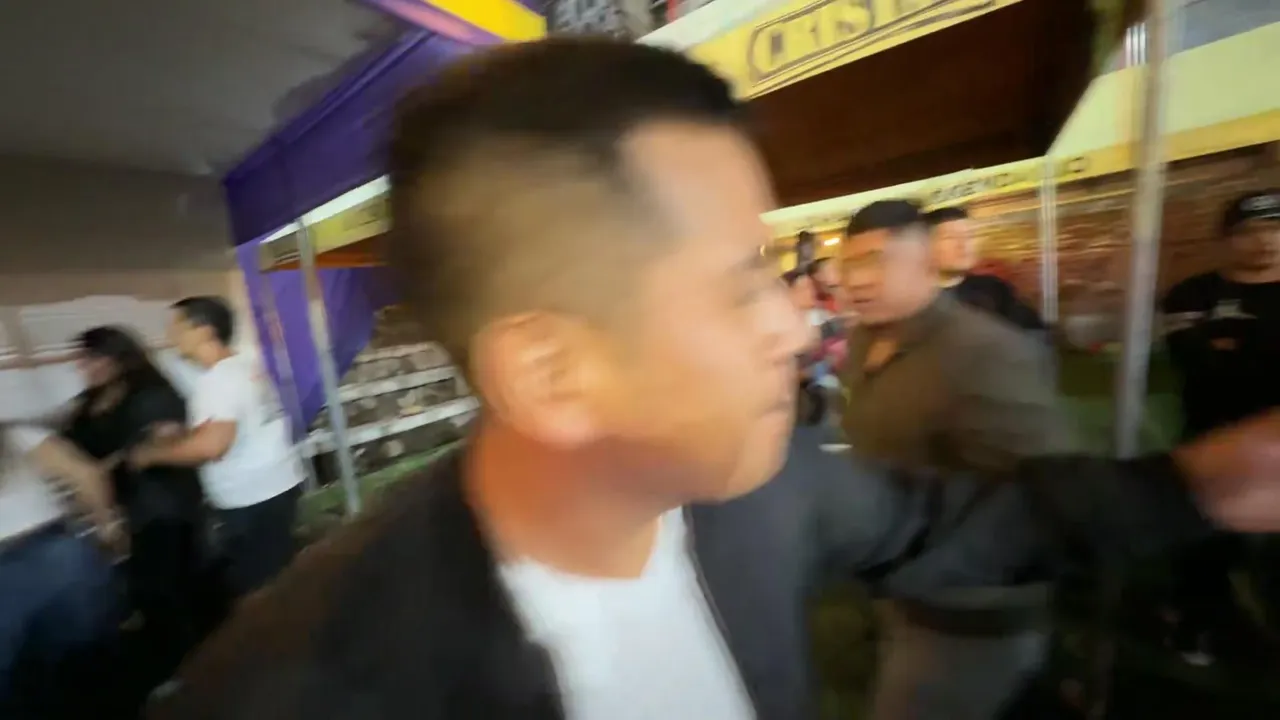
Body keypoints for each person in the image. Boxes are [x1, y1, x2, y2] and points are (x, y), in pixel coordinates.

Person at [152, 39, 1280, 720]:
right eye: (743, 284)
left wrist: (1196, 486)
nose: (796, 323)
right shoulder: (304, 686)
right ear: (551, 370)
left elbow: (956, 521)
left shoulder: (759, 486)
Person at [841, 199, 1069, 720]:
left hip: (966, 612)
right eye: (849, 263)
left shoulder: (987, 352)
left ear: (928, 262)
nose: (857, 280)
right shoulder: (864, 340)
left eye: (876, 260)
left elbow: (1045, 497)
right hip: (898, 586)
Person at [1160, 189, 1280, 665]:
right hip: (1211, 438)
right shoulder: (1193, 294)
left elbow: (1231, 363)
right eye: (1251, 231)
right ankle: (1194, 623)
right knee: (1205, 540)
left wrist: (1238, 348)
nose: (1266, 240)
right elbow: (1199, 366)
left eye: (1275, 229)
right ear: (1226, 239)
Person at [62, 326, 211, 695]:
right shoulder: (88, 401)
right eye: (81, 359)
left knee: (164, 586)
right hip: (124, 504)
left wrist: (106, 469)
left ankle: (191, 669)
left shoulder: (151, 393)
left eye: (91, 358)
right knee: (149, 589)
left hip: (162, 503)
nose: (84, 367)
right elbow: (70, 444)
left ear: (116, 356)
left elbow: (159, 444)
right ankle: (181, 661)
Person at [130, 296, 304, 601]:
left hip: (251, 499)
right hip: (277, 483)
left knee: (262, 594)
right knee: (279, 576)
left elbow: (214, 447)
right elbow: (236, 426)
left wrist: (150, 454)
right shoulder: (244, 365)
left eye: (178, 326)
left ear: (205, 330)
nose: (171, 335)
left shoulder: (217, 381)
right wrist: (185, 434)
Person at [0, 424, 122, 718]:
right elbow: (86, 475)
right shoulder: (17, 435)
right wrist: (108, 526)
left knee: (20, 690)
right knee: (91, 671)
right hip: (61, 558)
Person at [925, 205, 1046, 333]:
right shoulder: (916, 300)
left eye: (969, 236)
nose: (963, 244)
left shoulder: (994, 290)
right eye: (950, 237)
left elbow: (1035, 334)